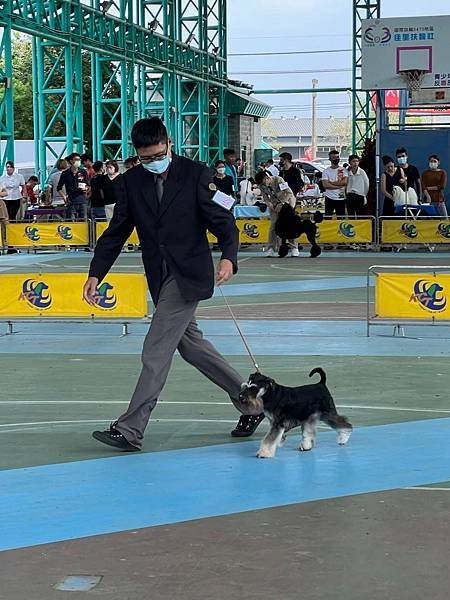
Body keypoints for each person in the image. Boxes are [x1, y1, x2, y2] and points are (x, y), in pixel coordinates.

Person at [85, 117, 263, 450]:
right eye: (145, 158)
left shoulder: (196, 174)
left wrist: (228, 257)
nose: (153, 163)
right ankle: (254, 403)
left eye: (157, 154)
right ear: (137, 154)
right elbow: (116, 233)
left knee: (155, 350)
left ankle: (130, 429)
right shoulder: (129, 183)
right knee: (193, 348)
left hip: (189, 275)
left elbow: (223, 222)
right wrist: (96, 274)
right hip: (159, 274)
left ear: (168, 144)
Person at [254, 170, 299, 257]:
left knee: (289, 224)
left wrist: (282, 203)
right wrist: (269, 204)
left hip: (287, 201)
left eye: (263, 182)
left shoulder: (279, 180)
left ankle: (294, 247)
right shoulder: (261, 185)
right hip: (274, 204)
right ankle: (271, 248)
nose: (263, 185)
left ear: (267, 178)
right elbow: (265, 197)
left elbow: (289, 193)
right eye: (261, 184)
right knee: (274, 225)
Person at [57, 152, 89, 220]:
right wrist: (64, 197)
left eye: (79, 160)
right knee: (71, 222)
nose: (78, 161)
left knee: (84, 222)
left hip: (82, 201)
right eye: (76, 159)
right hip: (71, 202)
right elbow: (59, 188)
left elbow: (88, 185)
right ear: (71, 161)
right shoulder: (65, 173)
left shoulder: (83, 172)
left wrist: (86, 189)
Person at [322, 150, 347, 216]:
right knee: (328, 218)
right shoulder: (326, 171)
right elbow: (325, 185)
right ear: (330, 159)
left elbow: (344, 182)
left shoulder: (343, 170)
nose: (336, 159)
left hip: (340, 198)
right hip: (329, 197)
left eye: (337, 157)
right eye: (334, 157)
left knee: (341, 218)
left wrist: (331, 182)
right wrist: (338, 186)